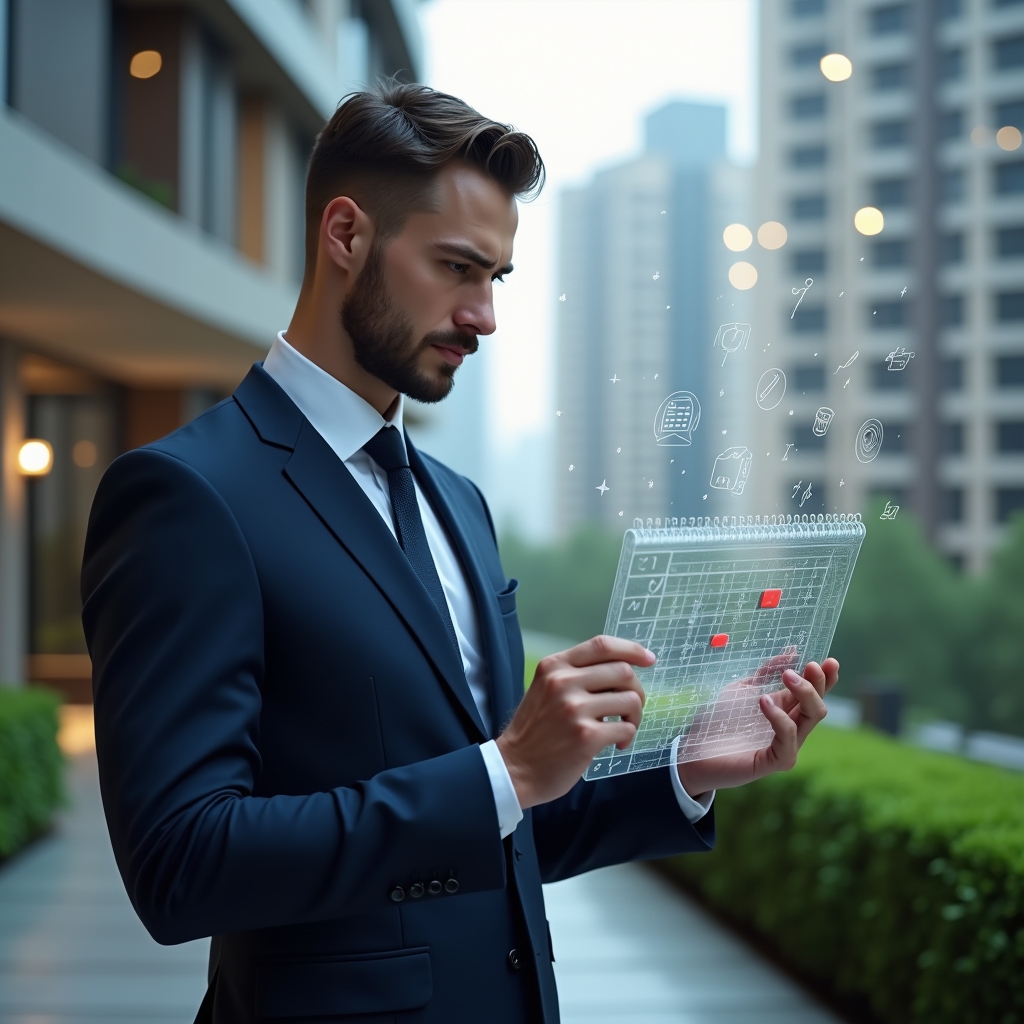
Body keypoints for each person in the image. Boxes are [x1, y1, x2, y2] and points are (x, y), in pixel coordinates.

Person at [81, 82, 838, 1024]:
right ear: (346, 234)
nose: (484, 315)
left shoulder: (459, 503)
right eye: (455, 268)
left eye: (496, 279)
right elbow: (180, 863)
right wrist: (505, 770)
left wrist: (686, 765)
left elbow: (499, 820)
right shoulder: (187, 496)